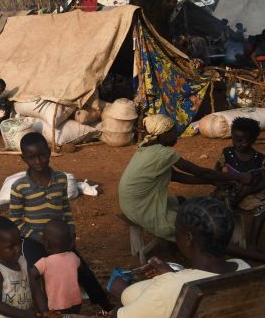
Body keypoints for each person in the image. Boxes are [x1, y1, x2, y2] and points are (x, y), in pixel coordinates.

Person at [8, 133, 113, 313]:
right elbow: (15, 220)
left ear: (49, 152)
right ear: (23, 158)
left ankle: (105, 305)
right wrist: (36, 237)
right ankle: (43, 309)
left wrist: (71, 232)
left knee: (82, 270)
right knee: (34, 274)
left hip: (58, 240)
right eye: (31, 157)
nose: (38, 161)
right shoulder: (19, 187)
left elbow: (65, 209)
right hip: (33, 239)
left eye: (42, 155)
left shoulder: (61, 179)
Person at [110, 197, 249, 318]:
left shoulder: (169, 289)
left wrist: (121, 292)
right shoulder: (244, 268)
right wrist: (173, 275)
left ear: (188, 238)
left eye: (176, 228)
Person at [118, 114, 249, 242]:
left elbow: (176, 176)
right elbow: (199, 172)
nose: (177, 135)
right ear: (163, 134)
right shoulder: (164, 153)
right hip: (141, 208)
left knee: (181, 203)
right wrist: (238, 177)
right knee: (191, 225)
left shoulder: (146, 147)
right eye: (173, 132)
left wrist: (214, 181)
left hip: (130, 205)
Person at [214, 117, 265, 250]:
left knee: (262, 208)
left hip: (251, 193)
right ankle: (220, 239)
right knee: (214, 204)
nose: (237, 143)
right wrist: (220, 183)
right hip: (230, 190)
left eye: (242, 141)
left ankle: (252, 242)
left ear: (253, 140)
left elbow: (263, 181)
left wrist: (247, 192)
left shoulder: (259, 159)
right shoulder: (228, 153)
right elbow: (218, 168)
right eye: (235, 139)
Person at [0, 215, 41, 318]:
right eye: (11, 247)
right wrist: (25, 315)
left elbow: (34, 287)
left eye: (19, 243)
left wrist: (44, 310)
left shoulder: (21, 260)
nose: (18, 249)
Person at [29, 220, 83, 314]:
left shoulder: (45, 262)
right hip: (76, 303)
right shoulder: (74, 257)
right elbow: (79, 267)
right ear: (70, 241)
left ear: (46, 243)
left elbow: (30, 275)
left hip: (56, 307)